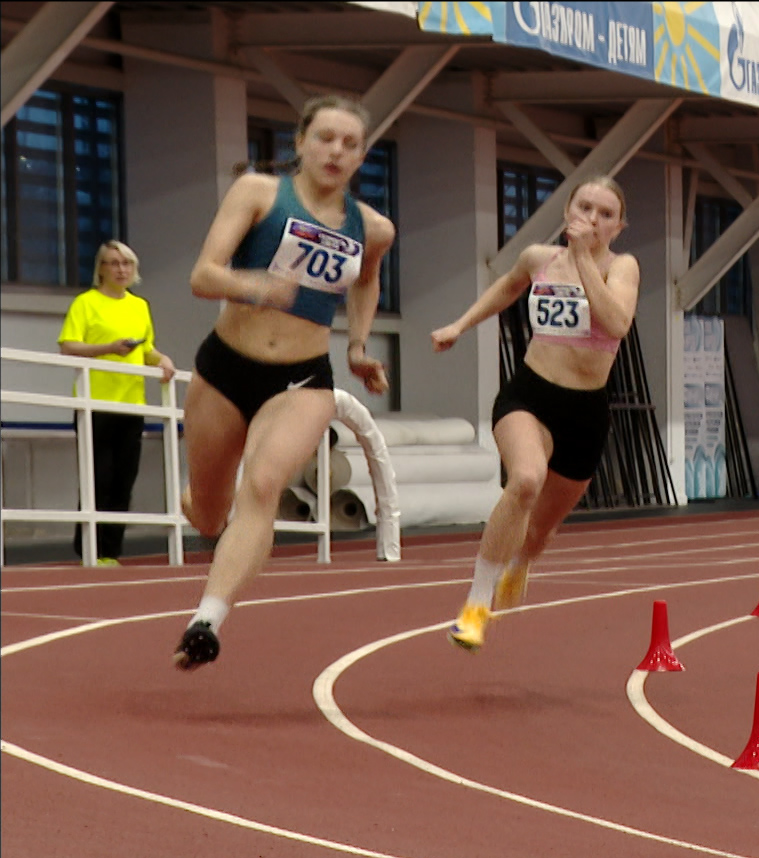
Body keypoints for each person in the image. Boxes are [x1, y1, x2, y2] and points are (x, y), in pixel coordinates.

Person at [172, 96, 394, 671]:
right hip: (225, 368)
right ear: (300, 142)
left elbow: (366, 282)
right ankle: (198, 504)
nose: (335, 152)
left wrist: (358, 345)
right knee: (210, 512)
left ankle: (207, 620)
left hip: (302, 379)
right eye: (325, 138)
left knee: (265, 485)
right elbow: (203, 276)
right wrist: (257, 287)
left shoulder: (373, 228)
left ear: (362, 156)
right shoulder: (260, 193)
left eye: (350, 144)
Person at [431, 176, 640, 652]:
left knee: (540, 533)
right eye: (584, 205)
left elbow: (616, 323)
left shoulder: (621, 266)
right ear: (567, 209)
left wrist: (585, 259)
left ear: (618, 226)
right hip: (529, 396)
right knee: (525, 480)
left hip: (585, 412)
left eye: (606, 213)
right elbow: (506, 289)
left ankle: (522, 560)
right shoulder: (537, 259)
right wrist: (460, 325)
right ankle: (475, 606)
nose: (592, 217)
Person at [58, 240, 176, 566]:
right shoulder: (86, 303)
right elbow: (68, 346)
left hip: (132, 403)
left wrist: (161, 358)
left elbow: (146, 348)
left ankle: (110, 551)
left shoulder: (139, 306)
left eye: (126, 264)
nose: (121, 269)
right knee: (99, 478)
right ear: (101, 269)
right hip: (94, 402)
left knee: (124, 480)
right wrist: (108, 347)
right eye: (113, 263)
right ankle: (90, 551)